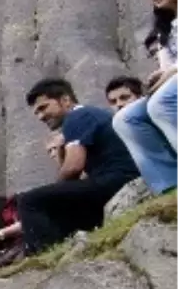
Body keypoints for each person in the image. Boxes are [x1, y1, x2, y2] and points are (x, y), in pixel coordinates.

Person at [17, 79, 139, 252]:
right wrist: (60, 154)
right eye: (36, 113)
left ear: (65, 100)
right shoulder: (86, 116)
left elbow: (73, 167)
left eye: (43, 108)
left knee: (29, 201)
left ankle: (45, 257)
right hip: (116, 181)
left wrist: (55, 190)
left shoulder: (77, 116)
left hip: (116, 180)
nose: (40, 117)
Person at [113, 0, 178, 195]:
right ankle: (169, 184)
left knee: (162, 103)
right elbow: (167, 66)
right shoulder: (165, 28)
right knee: (126, 118)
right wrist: (159, 76)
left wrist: (170, 73)